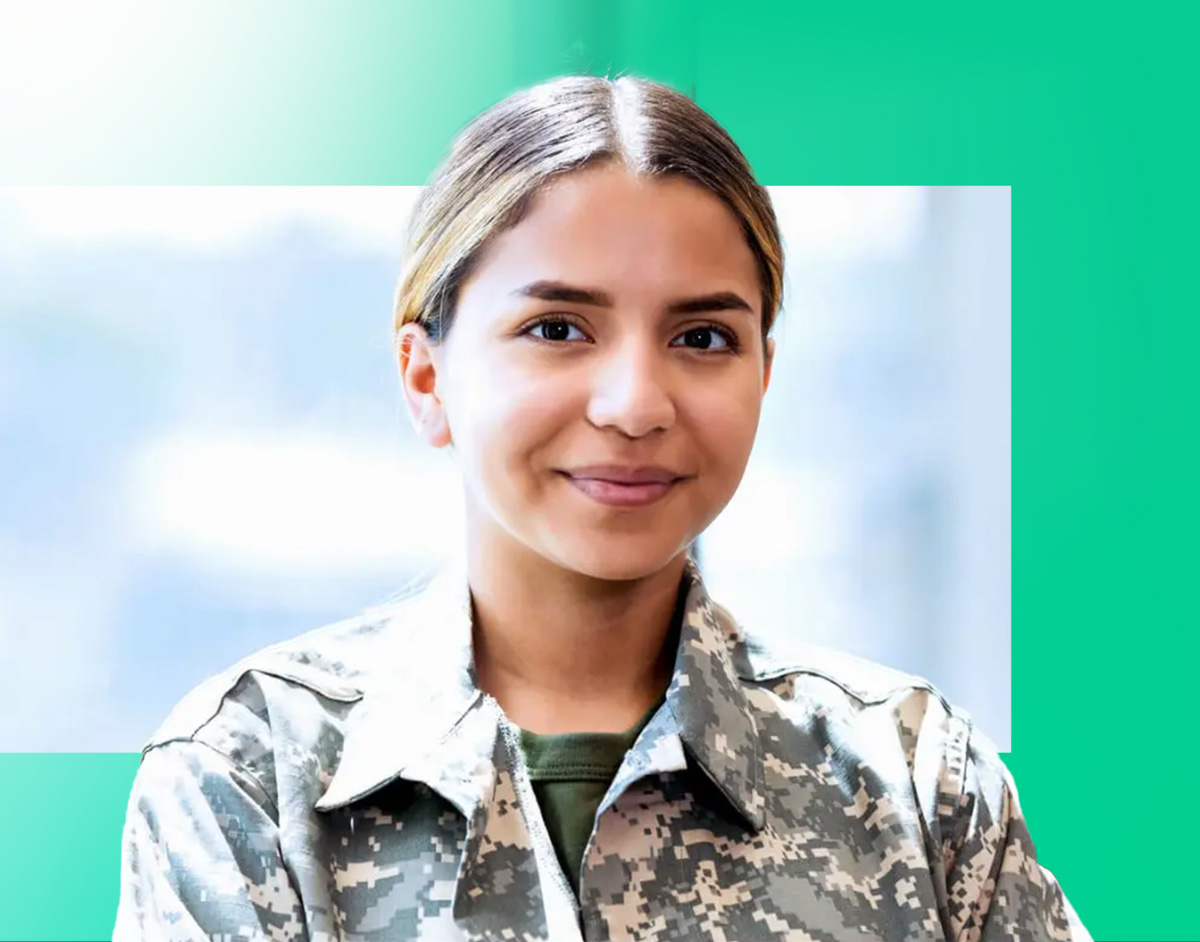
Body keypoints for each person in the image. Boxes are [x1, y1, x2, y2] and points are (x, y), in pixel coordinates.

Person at [114, 75, 1089, 942]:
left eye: (703, 337)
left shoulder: (912, 782)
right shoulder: (254, 775)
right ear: (425, 376)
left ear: (764, 374)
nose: (633, 404)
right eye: (557, 328)